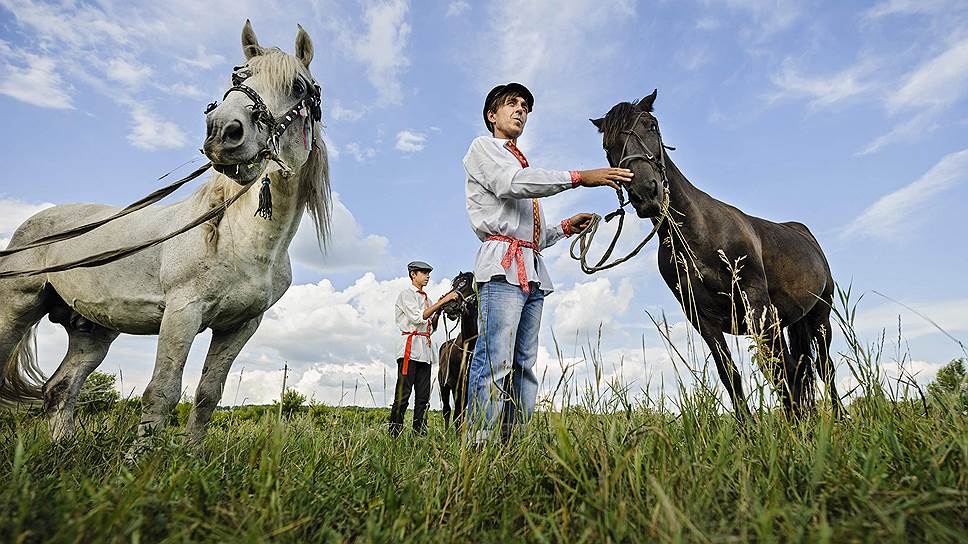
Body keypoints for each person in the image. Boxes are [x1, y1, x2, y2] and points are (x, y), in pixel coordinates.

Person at [463, 82, 634, 443]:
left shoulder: (522, 164)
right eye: (512, 104)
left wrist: (565, 228)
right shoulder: (484, 149)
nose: (521, 110)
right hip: (502, 268)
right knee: (496, 358)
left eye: (525, 105)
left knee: (523, 364)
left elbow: (532, 236)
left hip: (531, 269)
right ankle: (480, 443)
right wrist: (579, 178)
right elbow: (510, 184)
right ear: (492, 116)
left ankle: (516, 441)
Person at [389, 260, 458, 436]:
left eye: (428, 273)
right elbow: (418, 318)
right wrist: (443, 301)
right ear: (413, 274)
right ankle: (394, 432)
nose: (427, 276)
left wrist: (438, 312)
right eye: (424, 273)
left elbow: (431, 326)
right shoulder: (406, 295)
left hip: (425, 351)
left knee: (423, 397)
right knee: (403, 395)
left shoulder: (428, 299)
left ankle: (419, 434)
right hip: (409, 350)